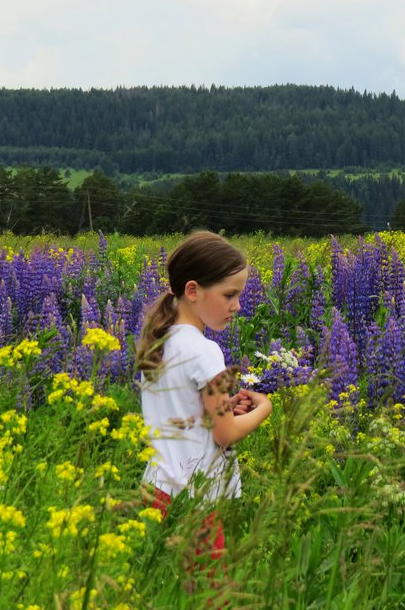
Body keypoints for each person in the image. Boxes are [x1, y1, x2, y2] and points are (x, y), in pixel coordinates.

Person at [136, 230, 272, 566]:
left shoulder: (158, 342)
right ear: (193, 290)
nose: (237, 306)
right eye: (229, 295)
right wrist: (264, 409)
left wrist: (226, 408)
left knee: (167, 592)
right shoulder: (205, 351)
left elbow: (188, 413)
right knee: (211, 596)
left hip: (155, 492)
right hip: (194, 500)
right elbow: (224, 434)